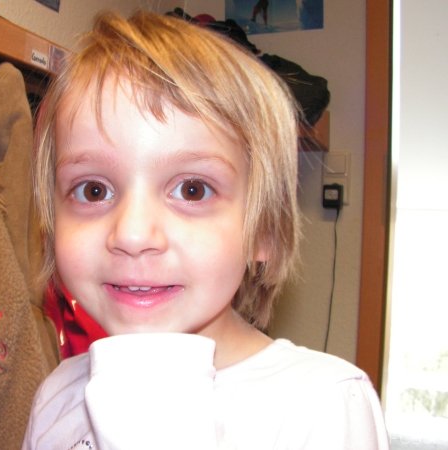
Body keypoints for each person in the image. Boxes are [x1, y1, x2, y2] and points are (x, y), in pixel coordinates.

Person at [24, 10, 389, 450]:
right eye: (94, 190)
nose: (133, 235)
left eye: (192, 190)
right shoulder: (56, 394)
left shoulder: (323, 406)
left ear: (264, 230)